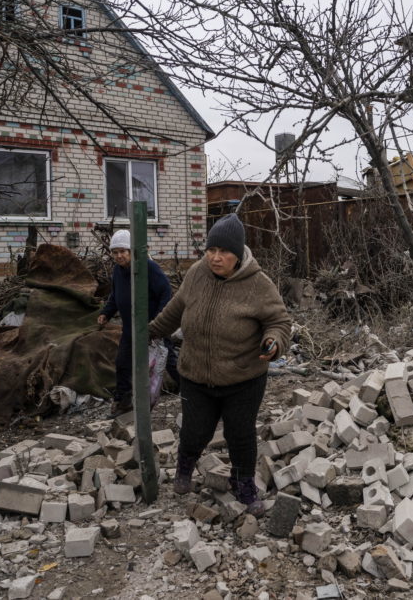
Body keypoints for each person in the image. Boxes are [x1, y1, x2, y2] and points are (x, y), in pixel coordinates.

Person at [148, 213, 290, 516]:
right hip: (196, 374)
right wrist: (150, 332)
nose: (215, 257)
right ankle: (184, 468)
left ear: (237, 254)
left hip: (243, 378)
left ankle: (244, 484)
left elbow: (278, 321)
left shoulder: (258, 284)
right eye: (211, 250)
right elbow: (175, 309)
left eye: (223, 252)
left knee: (240, 434)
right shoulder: (197, 273)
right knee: (194, 430)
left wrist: (274, 342)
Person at [97, 229, 179, 417]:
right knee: (123, 363)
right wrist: (106, 313)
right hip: (129, 328)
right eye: (115, 252)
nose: (119, 256)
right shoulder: (118, 271)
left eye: (123, 251)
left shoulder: (148, 268)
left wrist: (159, 322)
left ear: (132, 251)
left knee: (169, 363)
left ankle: (192, 393)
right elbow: (115, 296)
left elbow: (166, 293)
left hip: (154, 328)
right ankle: (123, 402)